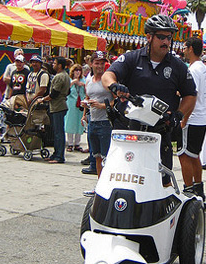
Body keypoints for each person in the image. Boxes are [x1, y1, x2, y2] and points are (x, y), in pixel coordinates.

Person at [102, 14, 197, 189]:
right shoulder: (132, 58)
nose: (166, 42)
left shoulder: (177, 66)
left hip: (159, 133)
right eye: (161, 37)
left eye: (169, 37)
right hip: (129, 130)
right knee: (121, 176)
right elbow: (108, 75)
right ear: (149, 37)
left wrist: (179, 115)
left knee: (162, 182)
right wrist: (114, 86)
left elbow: (191, 95)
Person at [177, 37, 206, 208]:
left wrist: (185, 118)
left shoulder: (193, 70)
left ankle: (188, 190)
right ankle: (199, 189)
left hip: (194, 118)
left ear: (190, 49)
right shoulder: (202, 68)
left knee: (184, 155)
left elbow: (192, 95)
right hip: (202, 117)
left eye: (184, 47)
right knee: (194, 154)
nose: (183, 50)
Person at [81, 52, 114, 186]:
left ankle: (108, 185)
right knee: (97, 156)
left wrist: (102, 106)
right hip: (93, 121)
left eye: (102, 63)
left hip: (106, 122)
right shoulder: (88, 80)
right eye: (97, 63)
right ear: (91, 64)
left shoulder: (107, 80)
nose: (100, 66)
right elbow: (88, 98)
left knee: (107, 157)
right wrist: (85, 110)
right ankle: (100, 185)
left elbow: (116, 100)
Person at [42, 56, 70, 164]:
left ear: (60, 65)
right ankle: (56, 153)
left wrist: (43, 99)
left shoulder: (60, 77)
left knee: (58, 133)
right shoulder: (65, 76)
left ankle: (59, 156)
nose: (53, 65)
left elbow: (54, 93)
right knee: (56, 132)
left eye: (54, 63)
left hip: (58, 106)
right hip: (58, 106)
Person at [65, 63, 86, 152]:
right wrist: (73, 82)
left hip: (80, 103)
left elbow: (87, 90)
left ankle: (77, 143)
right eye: (76, 70)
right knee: (70, 122)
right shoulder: (69, 79)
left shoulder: (83, 80)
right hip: (71, 103)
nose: (77, 72)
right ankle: (70, 143)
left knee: (79, 123)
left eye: (79, 70)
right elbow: (66, 89)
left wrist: (83, 85)